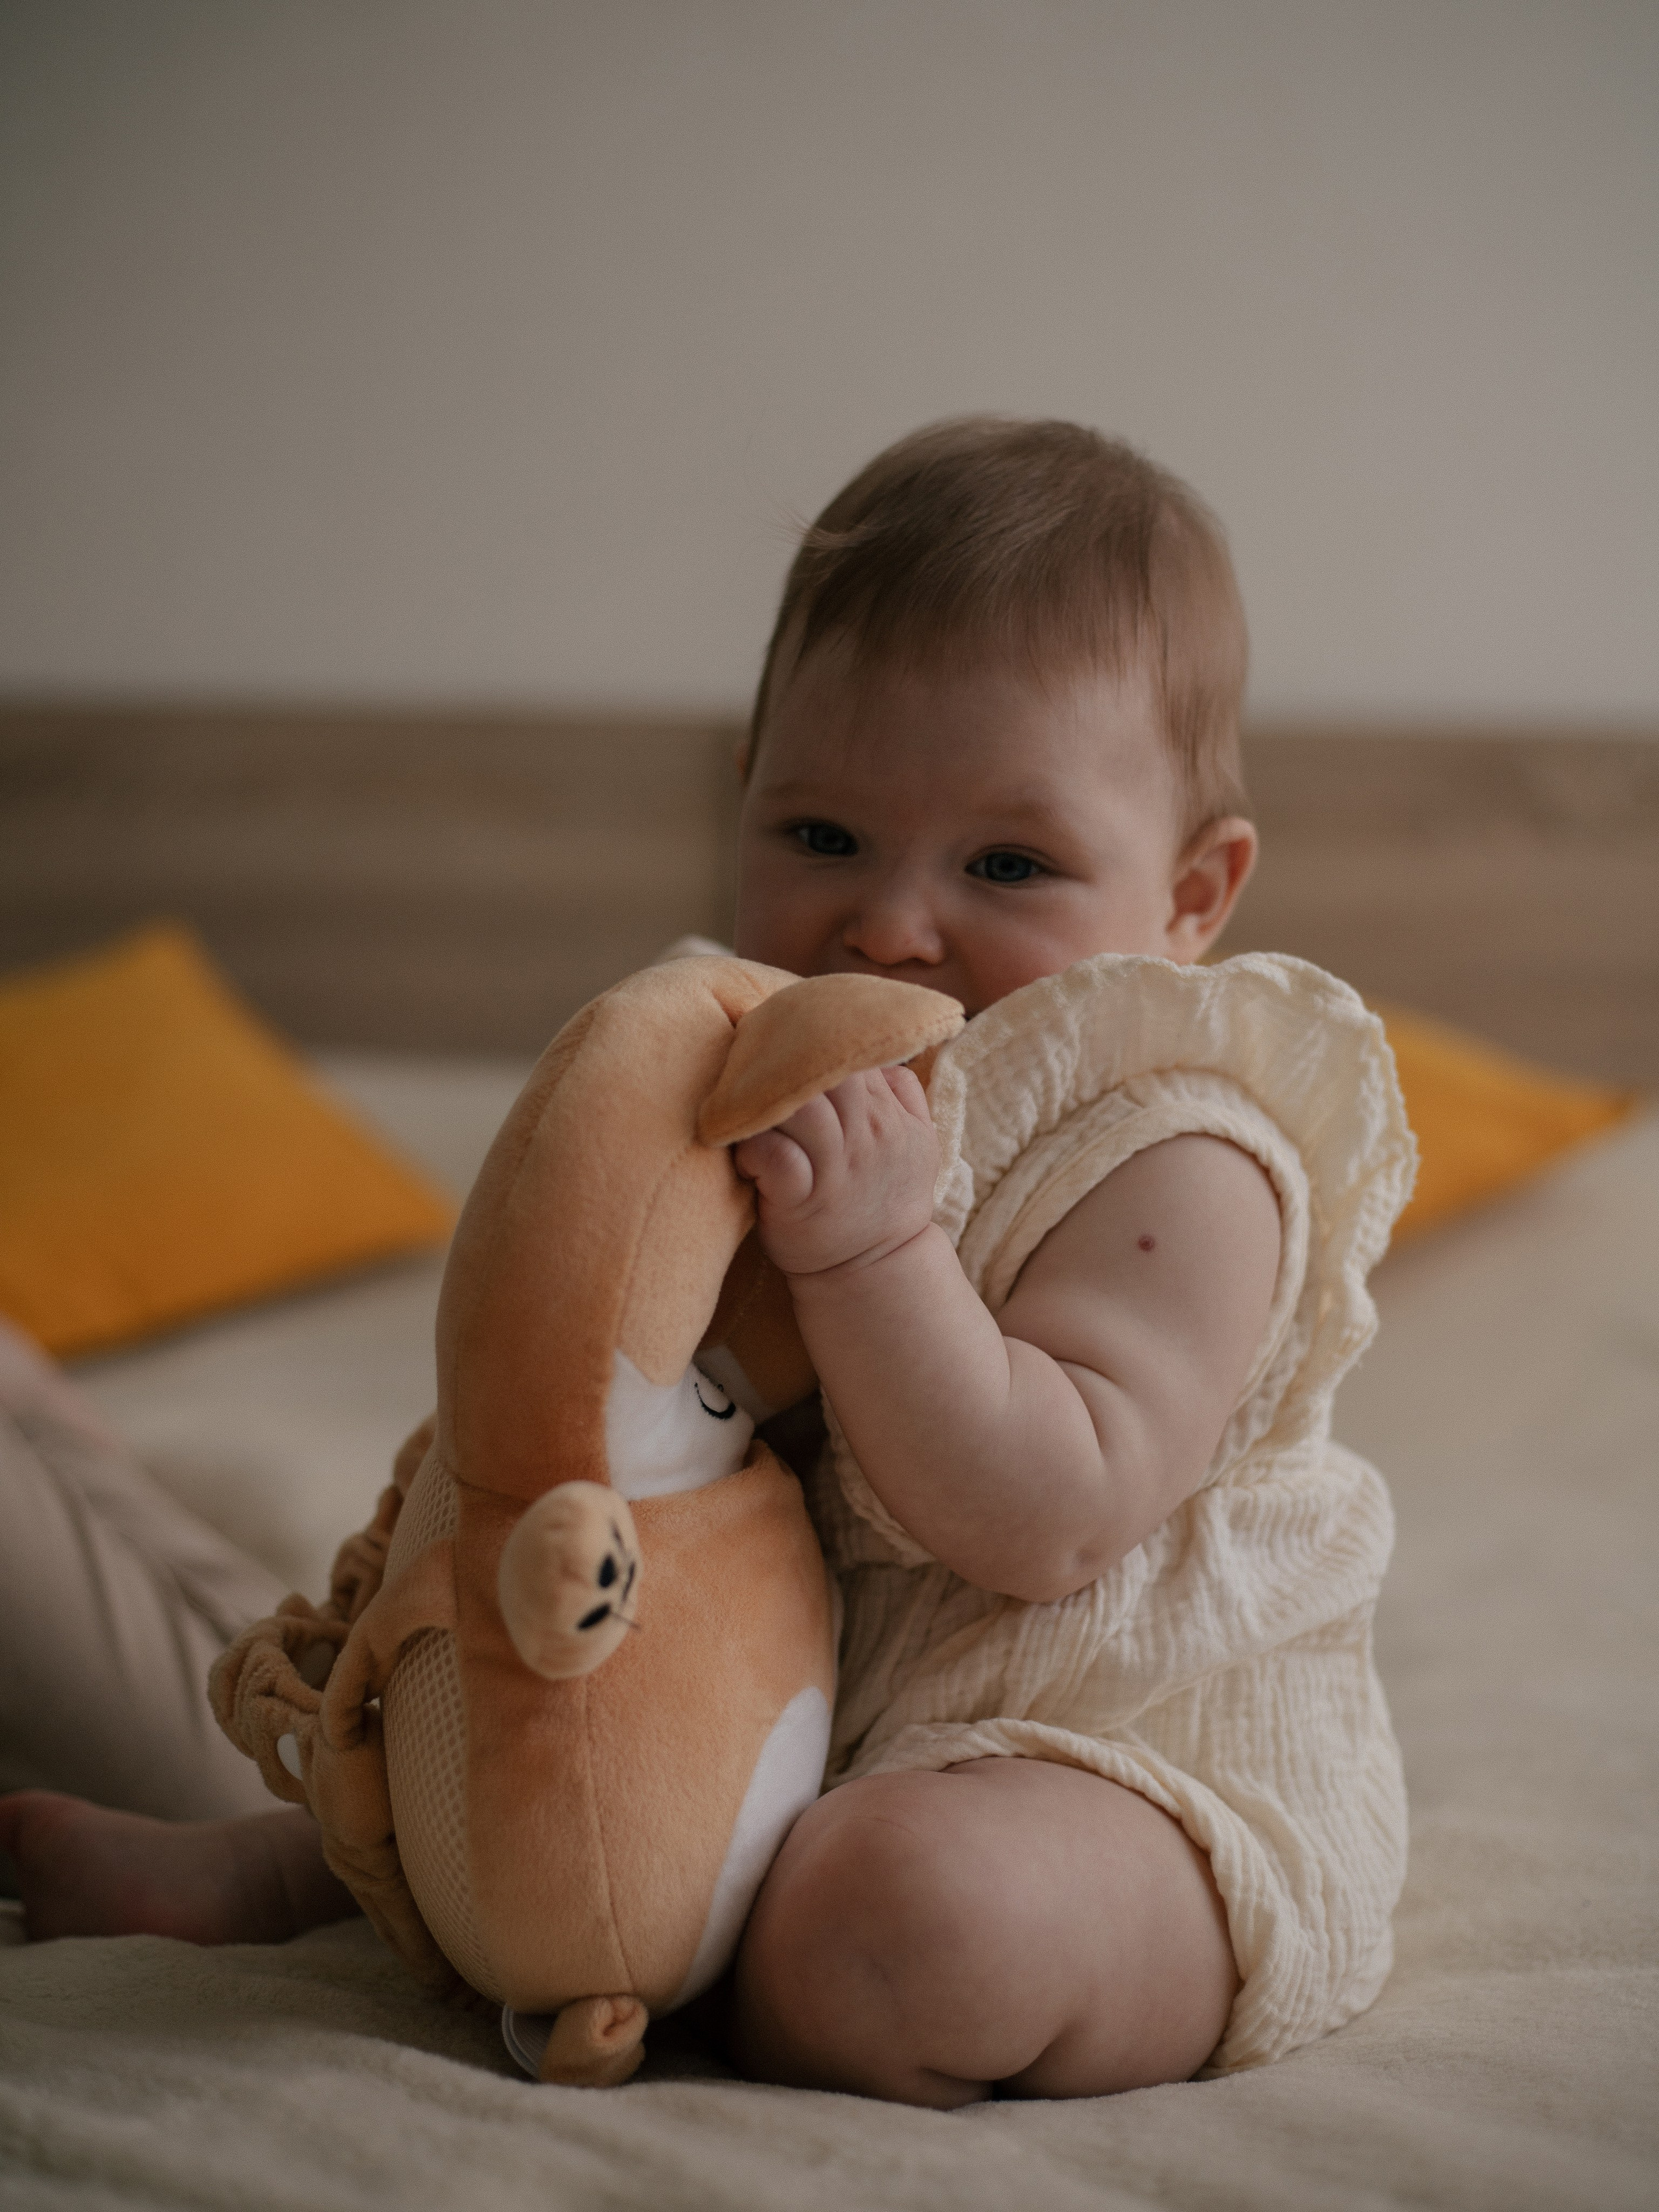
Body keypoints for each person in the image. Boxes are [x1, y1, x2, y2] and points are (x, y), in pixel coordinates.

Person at [0, 419, 1413, 2106]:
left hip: (1105, 1767)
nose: (890, 923)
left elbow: (1052, 1516)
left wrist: (875, 1253)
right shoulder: (748, 1069)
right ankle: (293, 1868)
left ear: (1192, 895)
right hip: (750, 1719)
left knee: (900, 1910)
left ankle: (679, 1938)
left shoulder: (1179, 1149)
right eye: (821, 838)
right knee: (515, 1731)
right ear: (741, 793)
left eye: (1007, 865)